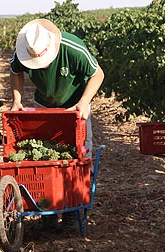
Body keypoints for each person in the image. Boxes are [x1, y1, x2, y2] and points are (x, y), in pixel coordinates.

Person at [10, 18, 104, 231]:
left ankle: (72, 211)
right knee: (45, 158)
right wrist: (17, 100)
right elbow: (15, 71)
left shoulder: (72, 48)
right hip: (44, 106)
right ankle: (48, 211)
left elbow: (98, 74)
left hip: (75, 108)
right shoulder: (24, 49)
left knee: (78, 156)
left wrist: (84, 102)